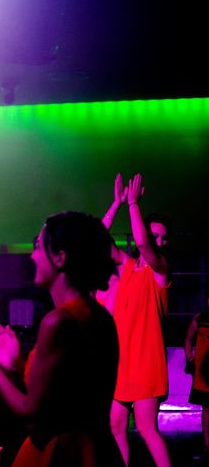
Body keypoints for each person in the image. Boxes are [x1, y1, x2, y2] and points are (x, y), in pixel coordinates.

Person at [0, 211, 123, 466]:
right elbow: (69, 391)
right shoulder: (99, 315)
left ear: (60, 257)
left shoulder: (59, 321)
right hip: (97, 452)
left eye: (38, 246)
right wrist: (17, 363)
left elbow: (31, 412)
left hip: (60, 454)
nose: (32, 255)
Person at [102, 173, 172, 466]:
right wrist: (117, 204)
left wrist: (133, 204)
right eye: (153, 234)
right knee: (116, 428)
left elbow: (144, 246)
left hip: (146, 364)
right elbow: (96, 239)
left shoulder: (161, 270)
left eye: (162, 237)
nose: (157, 241)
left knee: (146, 429)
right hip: (122, 363)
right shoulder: (128, 267)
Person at [184, 303, 209, 463]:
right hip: (204, 376)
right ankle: (207, 447)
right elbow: (187, 339)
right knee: (206, 410)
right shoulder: (200, 319)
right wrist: (190, 358)